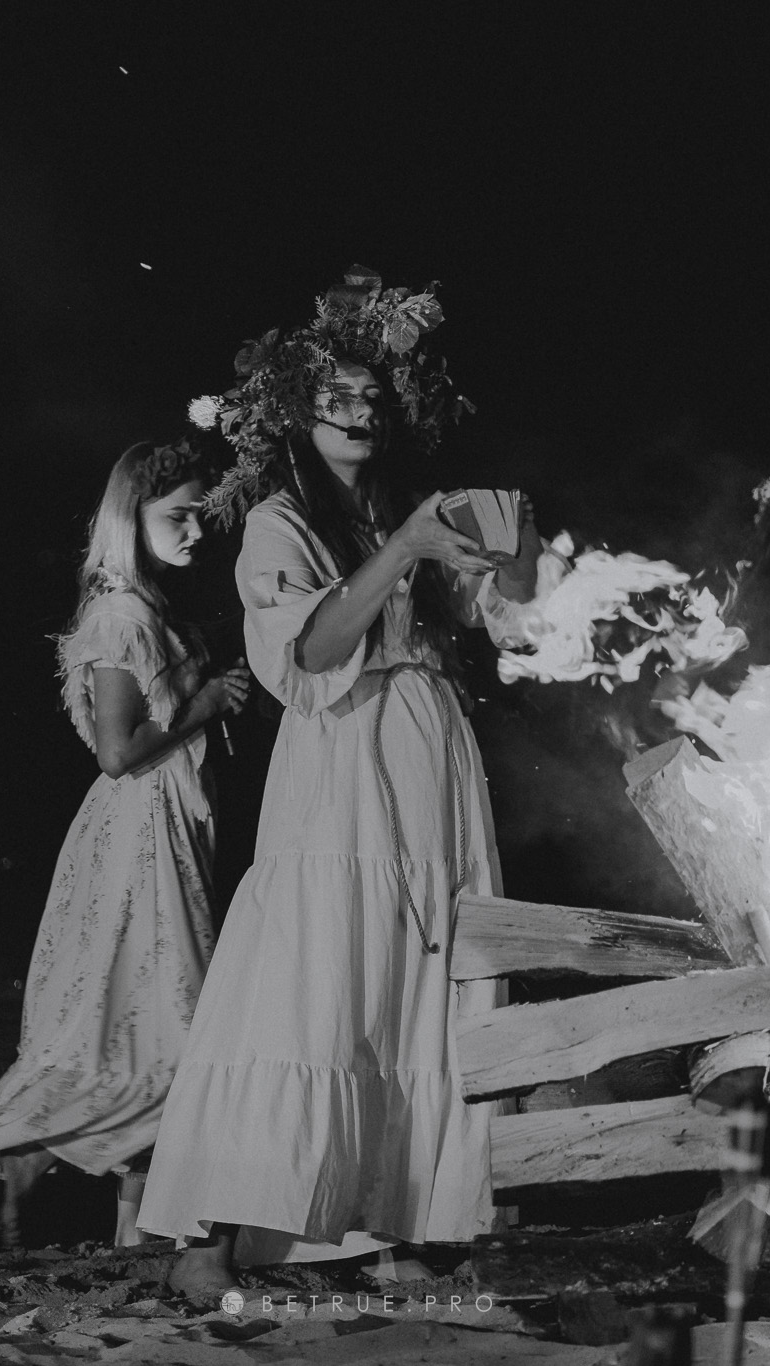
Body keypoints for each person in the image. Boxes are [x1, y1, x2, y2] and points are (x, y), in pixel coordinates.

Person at [138, 268, 541, 1295]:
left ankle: (400, 1216)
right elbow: (312, 652)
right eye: (336, 397)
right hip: (341, 764)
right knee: (304, 986)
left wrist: (515, 556)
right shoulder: (279, 522)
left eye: (371, 395)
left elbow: (509, 627)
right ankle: (212, 1236)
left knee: (419, 984)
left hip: (431, 759)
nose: (359, 412)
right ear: (296, 414)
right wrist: (403, 548)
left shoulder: (414, 510)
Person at [0, 439, 251, 1250]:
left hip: (171, 823)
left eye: (201, 514)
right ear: (133, 518)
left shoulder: (151, 606)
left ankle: (130, 1212)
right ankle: (47, 1157)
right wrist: (206, 704)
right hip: (140, 835)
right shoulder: (121, 616)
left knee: (145, 1019)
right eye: (178, 516)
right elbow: (118, 752)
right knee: (174, 1017)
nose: (196, 530)